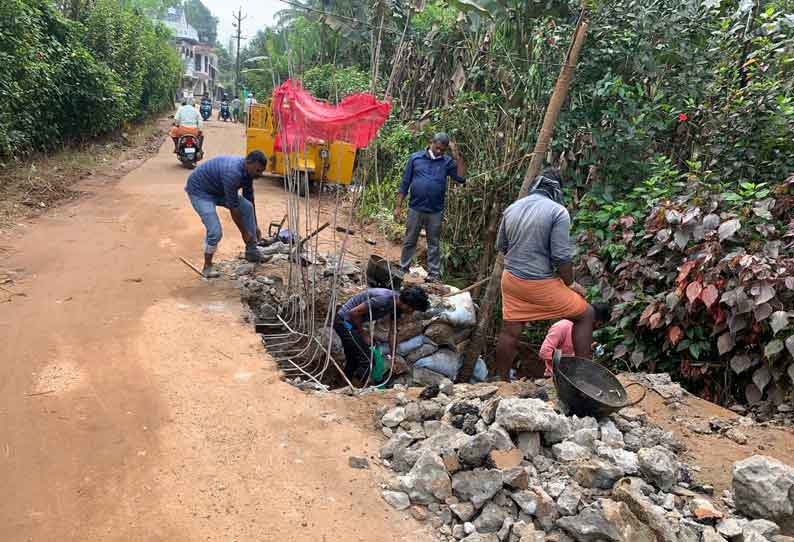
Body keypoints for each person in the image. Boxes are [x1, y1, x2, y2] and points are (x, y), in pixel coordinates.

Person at [492, 168, 598, 381]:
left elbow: (500, 245)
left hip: (511, 279)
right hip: (537, 282)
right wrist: (571, 283)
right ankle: (584, 376)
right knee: (585, 314)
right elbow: (561, 256)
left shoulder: (512, 208)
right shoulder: (558, 211)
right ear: (557, 189)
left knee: (510, 331)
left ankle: (501, 379)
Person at [394, 132, 466, 282]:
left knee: (433, 243)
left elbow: (460, 178)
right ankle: (403, 269)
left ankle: (433, 274)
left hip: (435, 211)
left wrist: (456, 155)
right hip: (415, 207)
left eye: (443, 150)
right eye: (437, 148)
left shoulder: (447, 162)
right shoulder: (415, 158)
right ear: (431, 142)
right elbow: (405, 183)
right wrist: (398, 206)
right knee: (409, 240)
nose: (439, 151)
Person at [184, 151, 268, 278]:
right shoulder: (233, 173)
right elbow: (233, 208)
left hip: (219, 189)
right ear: (249, 163)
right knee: (215, 231)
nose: (259, 175)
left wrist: (255, 226)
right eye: (257, 171)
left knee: (247, 207)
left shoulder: (248, 172)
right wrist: (244, 233)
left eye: (261, 171)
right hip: (200, 191)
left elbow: (249, 198)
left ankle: (252, 251)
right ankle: (207, 266)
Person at [334, 286, 430, 381]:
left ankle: (342, 384)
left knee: (354, 357)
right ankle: (360, 388)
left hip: (352, 324)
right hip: (344, 321)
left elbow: (393, 332)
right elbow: (353, 312)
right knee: (367, 360)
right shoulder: (384, 299)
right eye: (412, 309)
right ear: (407, 304)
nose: (412, 312)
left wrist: (393, 357)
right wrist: (362, 334)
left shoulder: (396, 307)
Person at [538, 304, 611, 376]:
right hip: (555, 377)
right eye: (599, 325)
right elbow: (544, 352)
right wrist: (570, 364)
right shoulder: (562, 326)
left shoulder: (585, 331)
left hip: (573, 376)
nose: (597, 328)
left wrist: (590, 348)